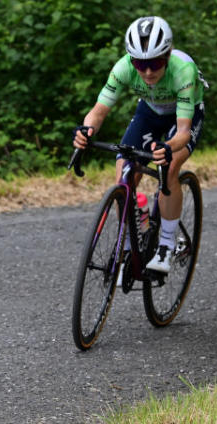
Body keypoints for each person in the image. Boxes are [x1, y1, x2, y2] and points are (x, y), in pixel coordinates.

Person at [73, 16, 207, 273]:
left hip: (184, 116)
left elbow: (182, 133)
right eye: (140, 64)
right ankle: (134, 233)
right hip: (150, 111)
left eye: (155, 63)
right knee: (124, 171)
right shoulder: (123, 68)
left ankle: (167, 244)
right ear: (131, 60)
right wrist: (86, 131)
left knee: (168, 168)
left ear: (167, 55)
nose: (147, 72)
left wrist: (167, 148)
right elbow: (98, 111)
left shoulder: (183, 71)